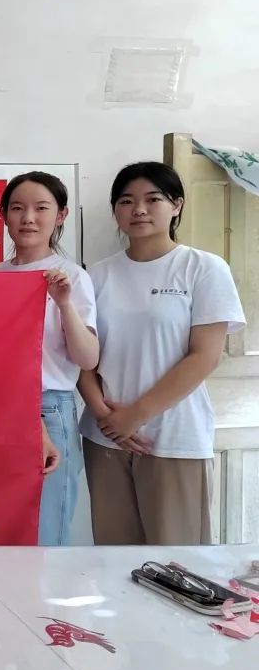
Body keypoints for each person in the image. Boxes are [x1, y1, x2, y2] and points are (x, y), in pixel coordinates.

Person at [78, 161, 245, 545]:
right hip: (105, 438)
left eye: (153, 199)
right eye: (126, 201)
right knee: (113, 556)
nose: (138, 209)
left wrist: (136, 415)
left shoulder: (203, 268)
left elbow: (204, 356)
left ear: (176, 205)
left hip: (173, 436)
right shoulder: (96, 275)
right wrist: (105, 416)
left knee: (176, 559)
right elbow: (81, 355)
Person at [0, 172, 98, 545]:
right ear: (4, 215)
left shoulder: (71, 277)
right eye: (17, 208)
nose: (28, 218)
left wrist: (64, 303)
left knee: (45, 530)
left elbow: (87, 358)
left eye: (41, 208)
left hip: (48, 407)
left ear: (61, 215)